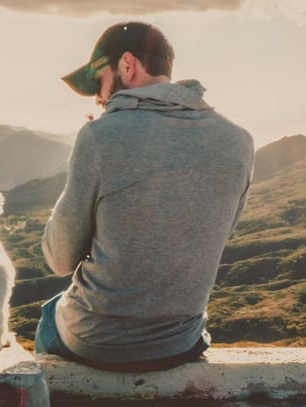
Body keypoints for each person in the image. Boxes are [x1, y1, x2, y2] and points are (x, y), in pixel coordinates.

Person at [34, 22, 254, 372]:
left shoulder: (100, 136)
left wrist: (96, 139)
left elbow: (59, 258)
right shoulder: (239, 140)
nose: (98, 97)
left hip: (99, 340)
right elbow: (211, 235)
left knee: (51, 313)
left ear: (127, 65)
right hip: (180, 341)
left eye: (98, 81)